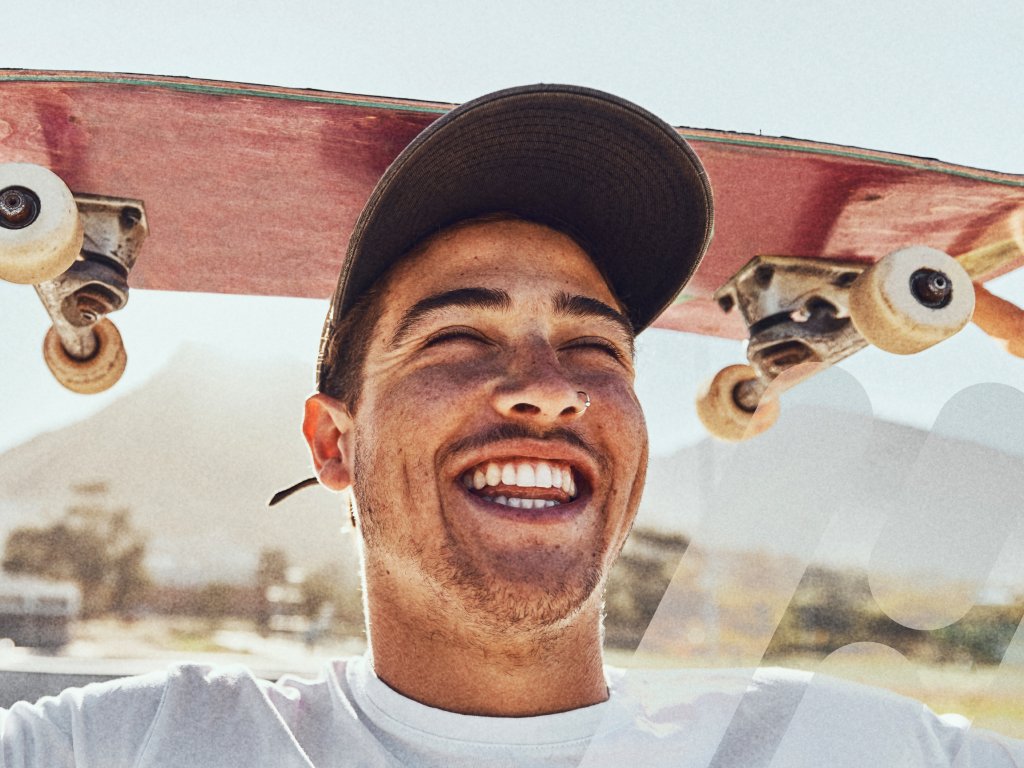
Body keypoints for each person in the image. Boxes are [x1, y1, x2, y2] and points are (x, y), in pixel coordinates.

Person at [1, 84, 1021, 767]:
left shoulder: (839, 748)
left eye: (596, 349)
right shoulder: (136, 745)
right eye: (456, 340)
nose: (548, 389)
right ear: (331, 445)